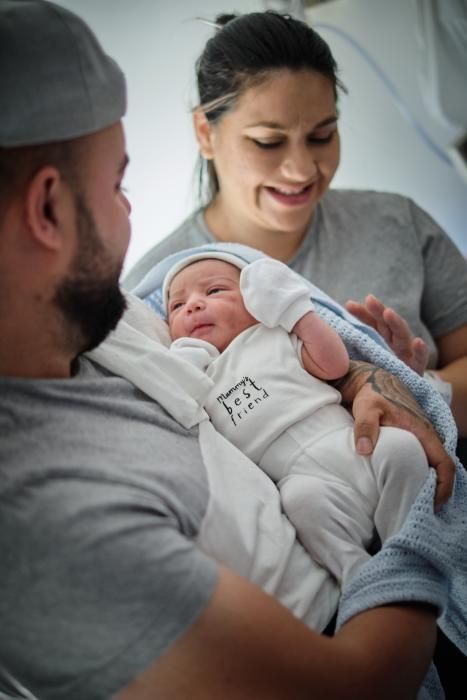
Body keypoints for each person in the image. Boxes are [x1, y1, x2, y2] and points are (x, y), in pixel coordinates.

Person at [0, 2, 461, 698]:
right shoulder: (53, 515)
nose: (300, 167)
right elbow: (350, 684)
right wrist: (429, 513)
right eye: (119, 184)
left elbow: (308, 369)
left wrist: (369, 377)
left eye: (323, 133)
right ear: (46, 209)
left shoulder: (111, 330)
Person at [123, 11, 467, 451]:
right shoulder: (154, 293)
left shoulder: (397, 223)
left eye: (323, 136)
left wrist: (420, 389)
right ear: (205, 133)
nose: (302, 169)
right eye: (269, 142)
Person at [164, 250, 431, 587]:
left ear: (256, 299)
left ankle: (408, 547)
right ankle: (360, 576)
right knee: (302, 503)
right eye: (176, 306)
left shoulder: (275, 335)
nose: (193, 305)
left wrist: (296, 312)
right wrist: (179, 367)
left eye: (214, 291)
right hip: (298, 477)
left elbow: (334, 365)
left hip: (351, 442)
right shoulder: (200, 379)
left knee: (402, 449)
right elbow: (179, 417)